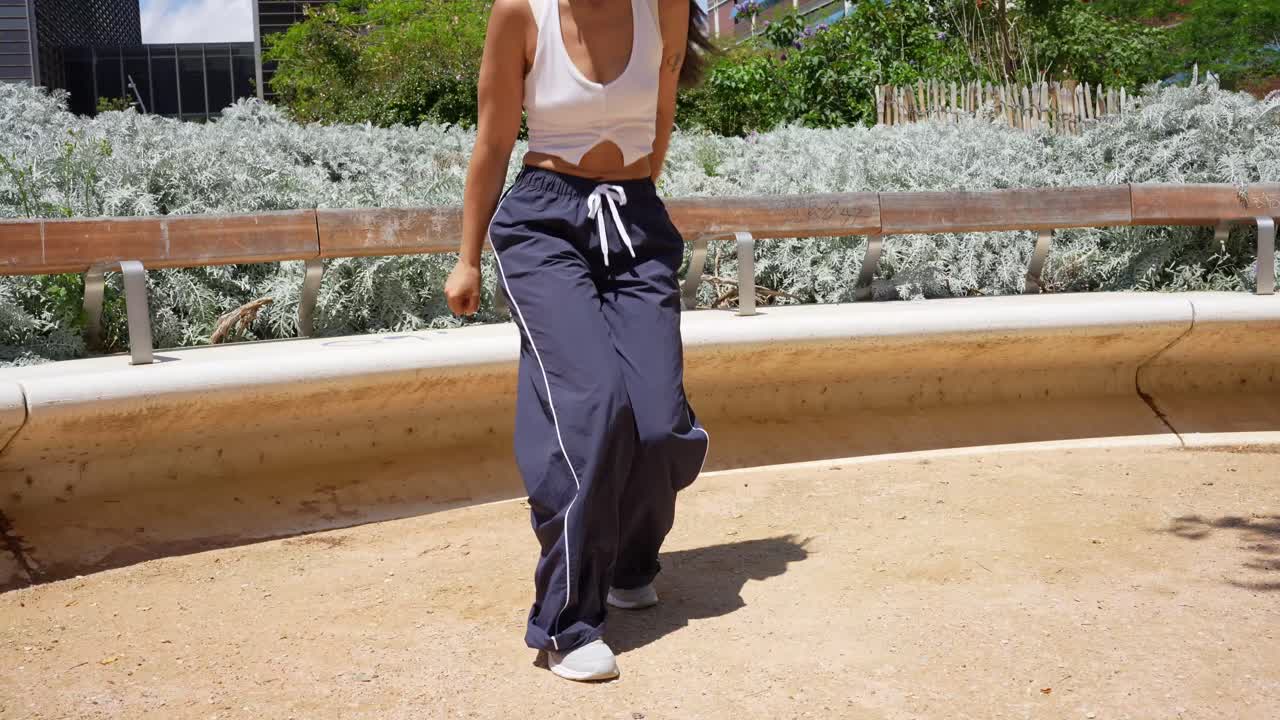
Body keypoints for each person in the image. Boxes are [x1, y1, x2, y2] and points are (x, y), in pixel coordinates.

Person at [444, 0, 714, 683]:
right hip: (544, 224)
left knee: (659, 422)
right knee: (592, 405)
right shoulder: (520, 14)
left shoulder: (667, 10)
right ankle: (567, 622)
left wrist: (632, 199)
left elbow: (659, 118)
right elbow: (493, 142)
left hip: (632, 221)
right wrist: (468, 257)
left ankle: (627, 562)